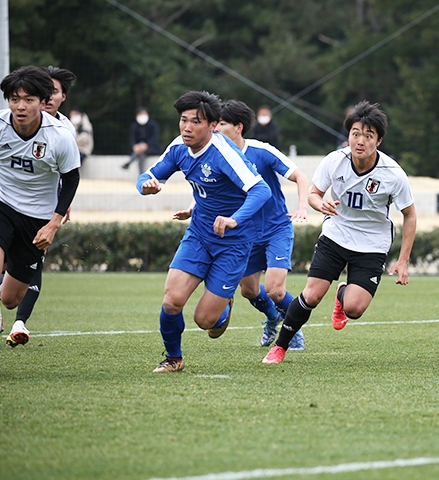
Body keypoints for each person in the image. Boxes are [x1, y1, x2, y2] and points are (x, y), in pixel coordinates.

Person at [262, 100, 417, 364]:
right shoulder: (334, 161)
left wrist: (403, 260)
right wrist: (319, 203)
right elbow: (313, 194)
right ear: (348, 135)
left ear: (378, 141)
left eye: (368, 136)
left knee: (354, 309)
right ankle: (280, 347)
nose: (360, 141)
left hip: (371, 245)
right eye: (355, 133)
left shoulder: (393, 173)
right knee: (311, 295)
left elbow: (410, 215)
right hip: (336, 236)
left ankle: (343, 293)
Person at [137, 91, 272, 373]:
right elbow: (150, 174)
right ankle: (173, 358)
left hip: (234, 243)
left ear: (212, 126)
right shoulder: (179, 147)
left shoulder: (225, 154)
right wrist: (146, 185)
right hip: (199, 234)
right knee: (172, 299)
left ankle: (224, 302)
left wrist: (235, 219)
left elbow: (262, 190)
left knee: (205, 322)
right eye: (183, 120)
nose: (187, 127)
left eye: (195, 122)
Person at [175, 100, 309, 350]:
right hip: (244, 234)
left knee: (275, 289)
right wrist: (193, 208)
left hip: (275, 228)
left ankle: (293, 331)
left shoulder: (261, 150)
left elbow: (300, 176)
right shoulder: (213, 152)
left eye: (221, 124)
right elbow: (213, 191)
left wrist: (302, 207)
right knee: (248, 290)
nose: (215, 128)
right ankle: (272, 318)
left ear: (239, 127)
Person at [0, 66, 81, 346]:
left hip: (37, 216)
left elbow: (71, 179)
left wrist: (54, 223)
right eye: (14, 99)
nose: (20, 106)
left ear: (42, 101)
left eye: (29, 100)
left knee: (10, 299)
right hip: (3, 203)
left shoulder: (59, 135)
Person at [122, 107, 163, 174]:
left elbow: (154, 138)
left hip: (151, 148)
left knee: (140, 153)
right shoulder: (134, 126)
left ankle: (130, 162)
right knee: (141, 154)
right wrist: (135, 146)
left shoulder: (153, 125)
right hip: (138, 148)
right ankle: (141, 173)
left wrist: (146, 145)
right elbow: (133, 139)